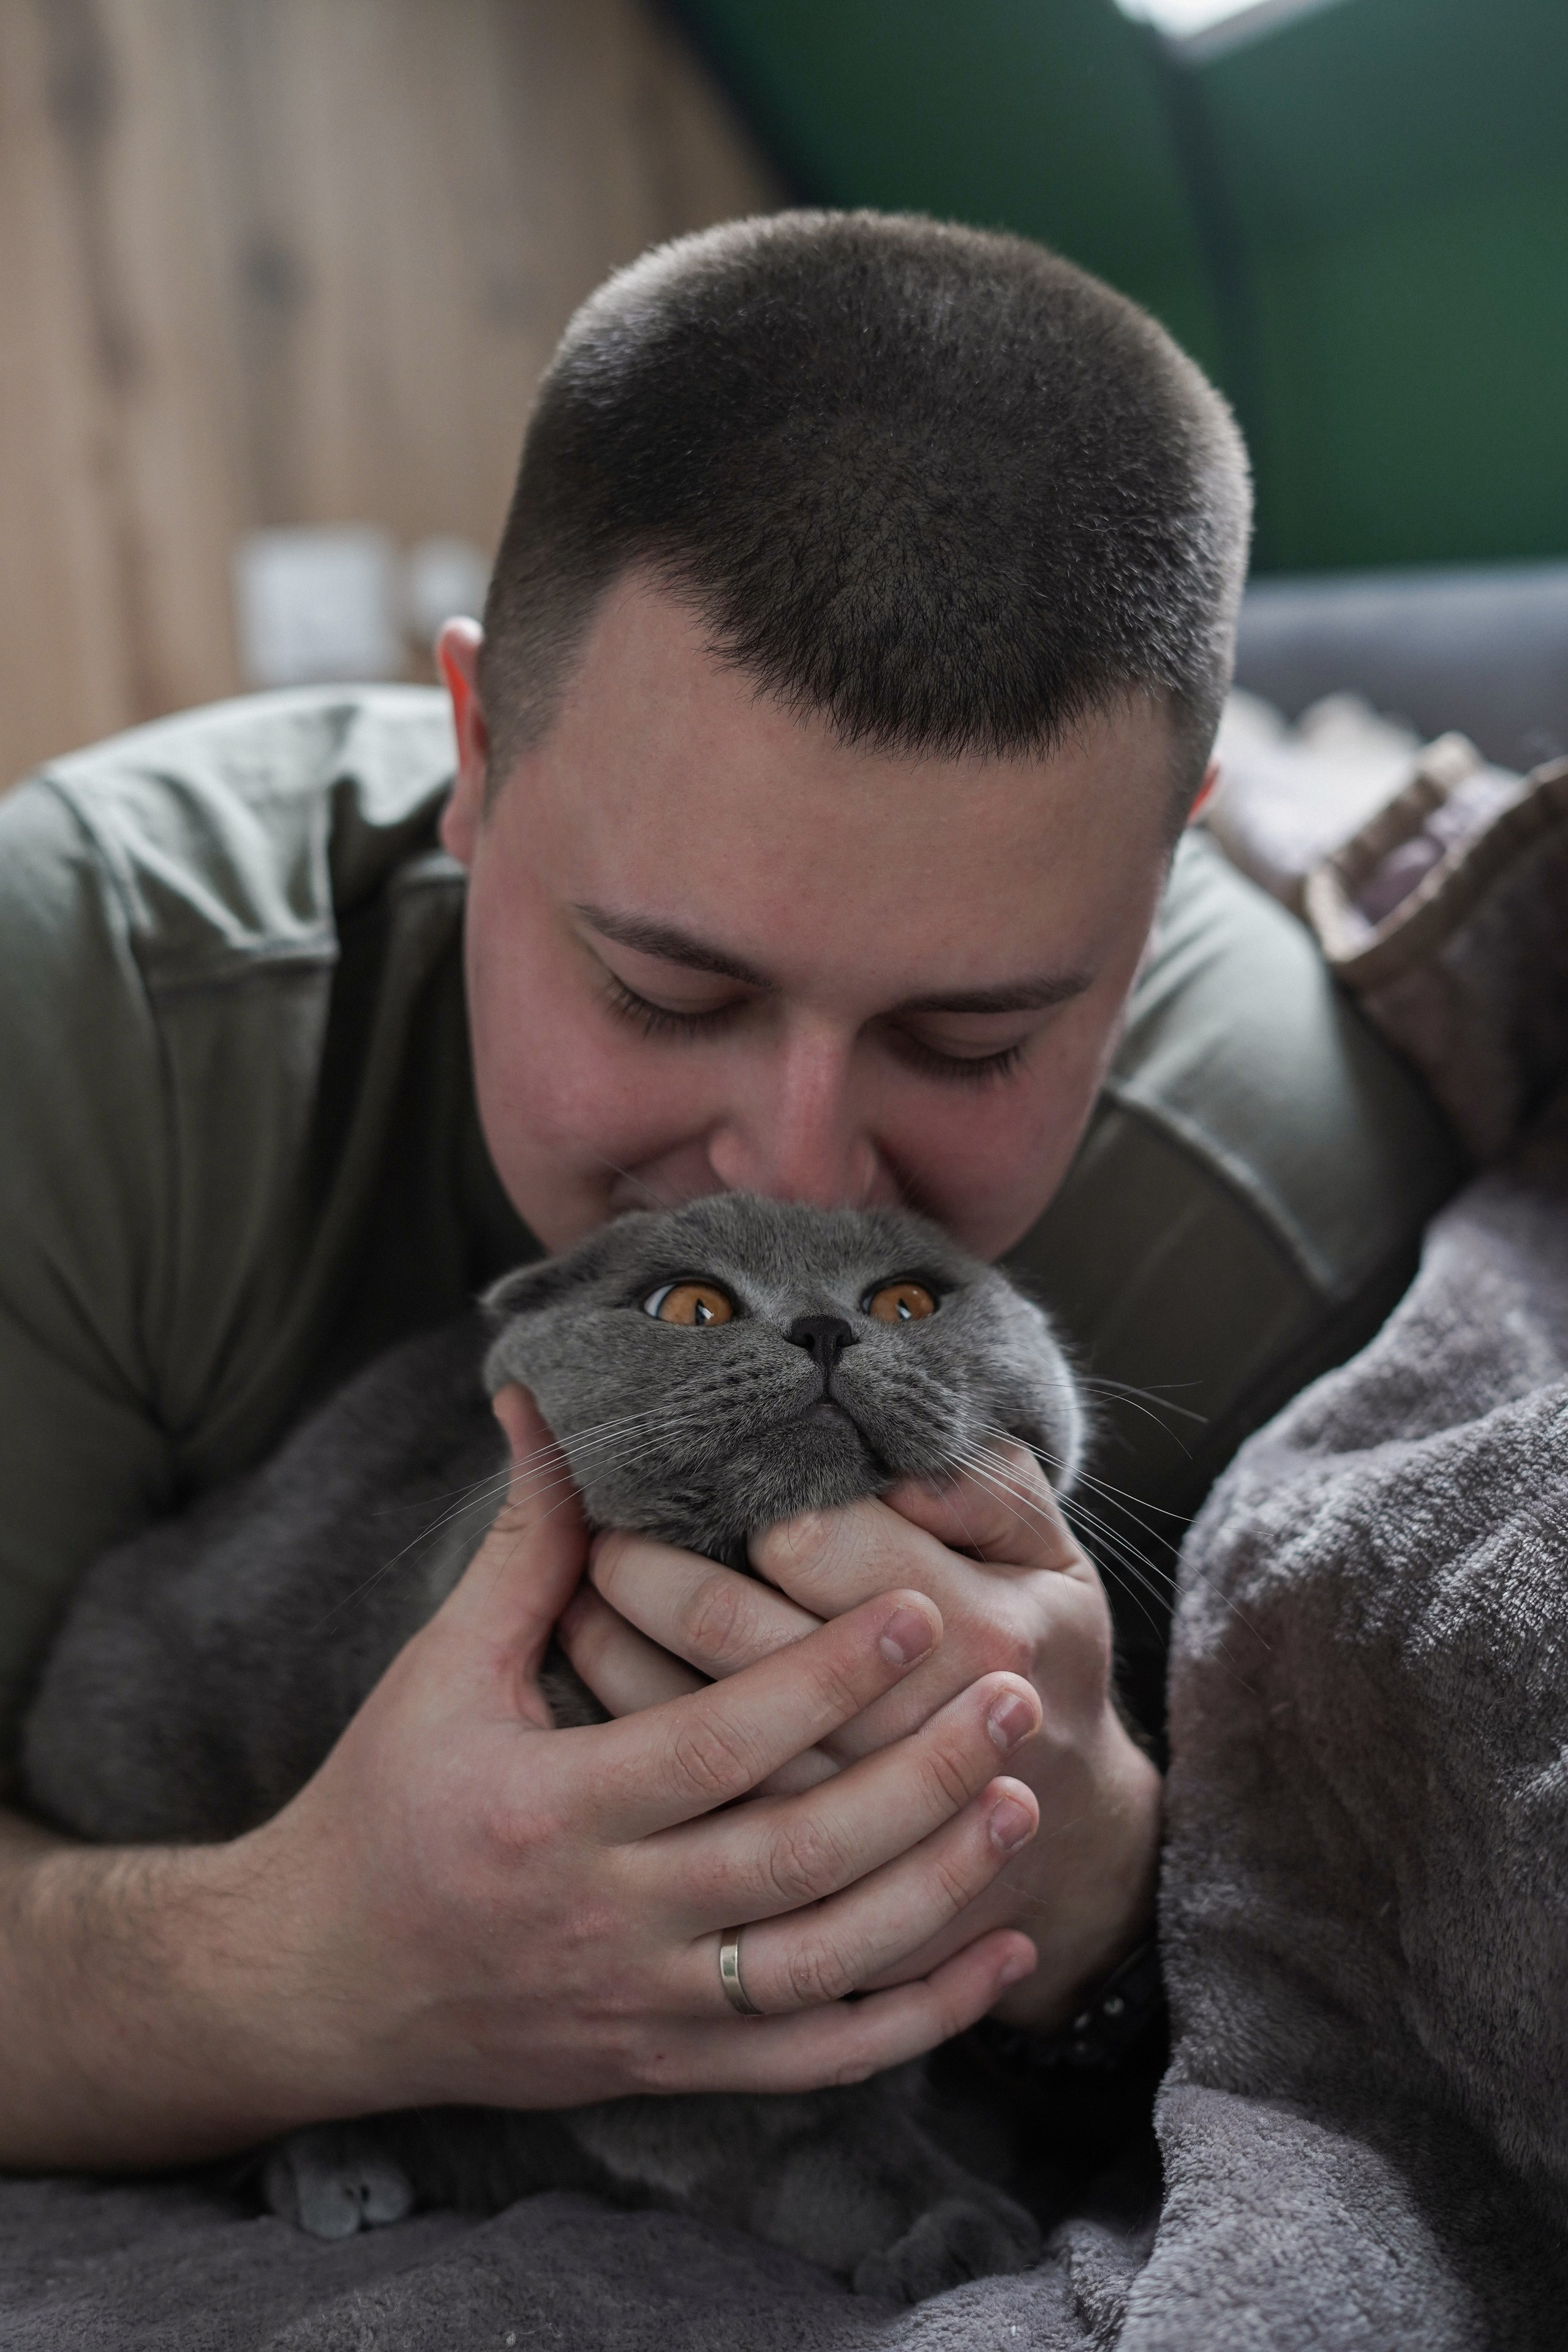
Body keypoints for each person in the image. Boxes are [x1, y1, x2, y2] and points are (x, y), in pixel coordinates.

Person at [0, 213, 1460, 2172]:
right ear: (479, 752)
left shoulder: (1284, 1202)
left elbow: (1369, 2018)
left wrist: (1099, 1875)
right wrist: (300, 1967)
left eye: (966, 1042)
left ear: (1160, 879)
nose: (793, 1165)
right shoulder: (87, 1015)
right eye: (666, 988)